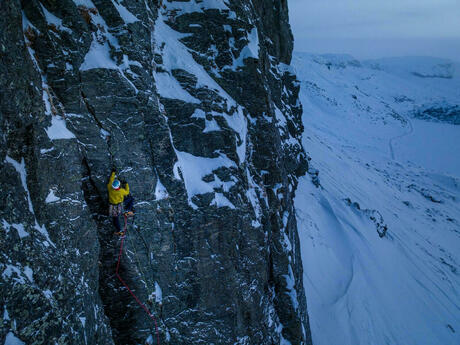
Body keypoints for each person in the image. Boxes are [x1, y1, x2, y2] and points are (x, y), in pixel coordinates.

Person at [107, 169, 130, 233]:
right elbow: (127, 192)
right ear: (119, 185)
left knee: (115, 218)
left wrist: (113, 172)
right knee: (131, 199)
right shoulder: (121, 191)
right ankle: (128, 210)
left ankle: (119, 230)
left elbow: (111, 180)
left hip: (112, 204)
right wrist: (126, 184)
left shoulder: (109, 187)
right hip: (119, 204)